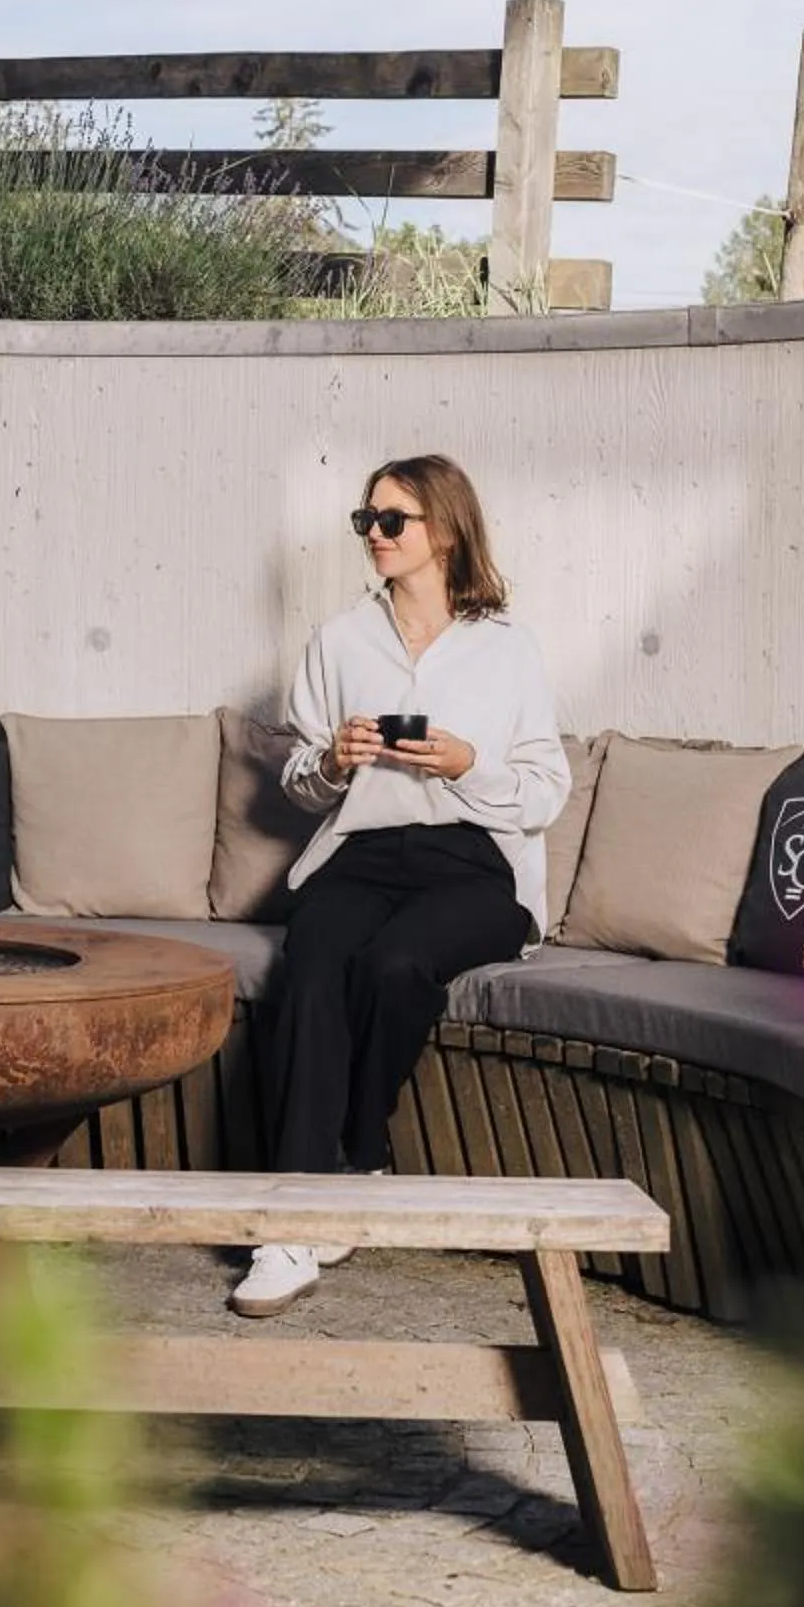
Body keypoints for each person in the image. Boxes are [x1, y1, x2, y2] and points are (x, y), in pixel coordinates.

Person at [233, 454, 569, 1318]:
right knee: (311, 961)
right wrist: (334, 762)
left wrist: (466, 763)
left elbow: (545, 791)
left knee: (397, 964)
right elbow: (299, 782)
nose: (374, 536)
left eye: (393, 521)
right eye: (366, 521)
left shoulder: (507, 649)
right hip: (363, 851)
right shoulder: (340, 643)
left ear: (446, 531)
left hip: (473, 860)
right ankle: (293, 1223)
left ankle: (358, 1147)